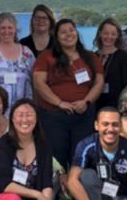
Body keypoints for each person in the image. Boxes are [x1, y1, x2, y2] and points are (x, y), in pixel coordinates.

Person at [33, 18, 104, 170]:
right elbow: (39, 83)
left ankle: (77, 191)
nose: (68, 34)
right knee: (56, 158)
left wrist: (86, 102)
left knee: (81, 157)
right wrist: (59, 102)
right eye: (63, 32)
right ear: (56, 36)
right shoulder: (46, 56)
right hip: (54, 116)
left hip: (83, 115)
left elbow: (99, 82)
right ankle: (57, 190)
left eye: (71, 30)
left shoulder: (90, 57)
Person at [93, 18, 127, 111]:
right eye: (106, 33)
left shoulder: (123, 57)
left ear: (117, 36)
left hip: (116, 106)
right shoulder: (93, 57)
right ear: (100, 33)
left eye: (113, 34)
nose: (109, 37)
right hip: (95, 105)